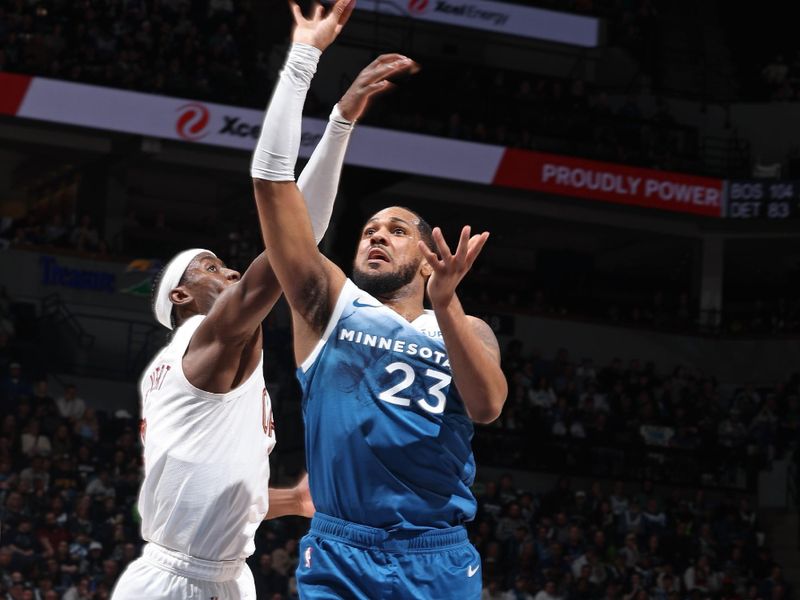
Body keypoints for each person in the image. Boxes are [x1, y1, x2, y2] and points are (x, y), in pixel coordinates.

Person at [109, 20, 397, 598]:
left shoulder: (195, 367)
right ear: (180, 298)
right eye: (212, 268)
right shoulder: (207, 342)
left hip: (225, 575)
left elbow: (204, 486)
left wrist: (291, 500)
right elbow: (295, 236)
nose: (233, 271)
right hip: (174, 583)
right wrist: (315, 81)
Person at [249, 1, 507, 596]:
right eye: (367, 230)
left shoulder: (468, 327)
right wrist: (313, 74)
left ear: (424, 255)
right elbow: (272, 185)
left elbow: (487, 406)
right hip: (342, 550)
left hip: (437, 556)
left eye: (395, 230)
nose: (375, 236)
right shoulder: (330, 306)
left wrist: (446, 306)